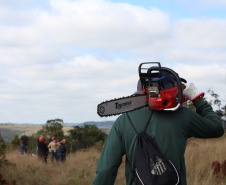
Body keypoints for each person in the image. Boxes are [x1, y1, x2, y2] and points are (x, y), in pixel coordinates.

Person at [92, 64, 224, 185]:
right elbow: (217, 128)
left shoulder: (123, 121)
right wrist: (196, 98)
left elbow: (106, 170)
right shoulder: (183, 116)